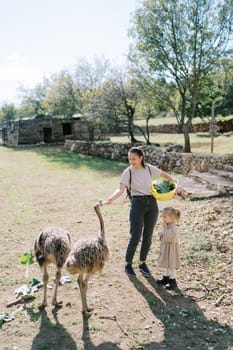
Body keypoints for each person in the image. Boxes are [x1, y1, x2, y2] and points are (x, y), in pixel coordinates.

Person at [105, 146, 176, 276]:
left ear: (141, 158)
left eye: (134, 159)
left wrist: (174, 183)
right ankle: (128, 264)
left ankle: (142, 263)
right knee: (135, 236)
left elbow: (163, 174)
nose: (131, 161)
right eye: (129, 159)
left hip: (152, 204)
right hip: (137, 204)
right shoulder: (128, 172)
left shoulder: (149, 169)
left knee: (148, 236)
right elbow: (120, 189)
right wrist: (111, 198)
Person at [157, 206, 181, 289]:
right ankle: (166, 277)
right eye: (162, 216)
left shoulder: (173, 227)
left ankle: (173, 280)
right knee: (167, 263)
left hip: (171, 249)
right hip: (167, 248)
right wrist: (161, 233)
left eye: (165, 217)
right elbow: (165, 234)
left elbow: (170, 237)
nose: (163, 218)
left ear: (172, 217)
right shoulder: (168, 225)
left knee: (171, 264)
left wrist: (164, 229)